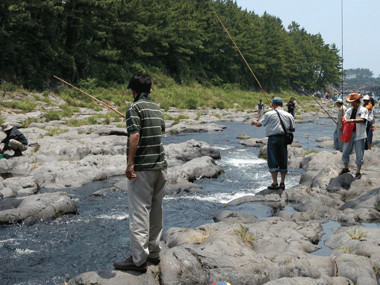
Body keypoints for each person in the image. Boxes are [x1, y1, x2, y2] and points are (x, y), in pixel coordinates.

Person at [113, 74, 167, 272]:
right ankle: (153, 253)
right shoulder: (157, 109)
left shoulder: (134, 108)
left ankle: (138, 260)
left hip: (143, 169)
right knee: (155, 211)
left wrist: (129, 164)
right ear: (150, 90)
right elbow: (159, 130)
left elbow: (135, 135)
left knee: (139, 213)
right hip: (160, 167)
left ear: (134, 91)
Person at [251, 97, 295, 190]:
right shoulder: (289, 115)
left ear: (273, 104)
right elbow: (293, 129)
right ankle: (282, 183)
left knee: (272, 159)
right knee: (283, 159)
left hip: (273, 139)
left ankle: (275, 183)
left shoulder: (269, 114)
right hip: (284, 139)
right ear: (282, 104)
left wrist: (254, 122)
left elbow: (259, 124)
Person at [339, 93, 368, 179]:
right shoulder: (349, 110)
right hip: (349, 133)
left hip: (360, 134)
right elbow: (345, 119)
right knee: (345, 150)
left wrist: (351, 120)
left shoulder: (363, 110)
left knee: (359, 153)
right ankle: (346, 168)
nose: (352, 103)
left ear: (357, 101)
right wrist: (343, 121)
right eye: (351, 102)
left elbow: (363, 120)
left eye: (354, 102)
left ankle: (358, 172)